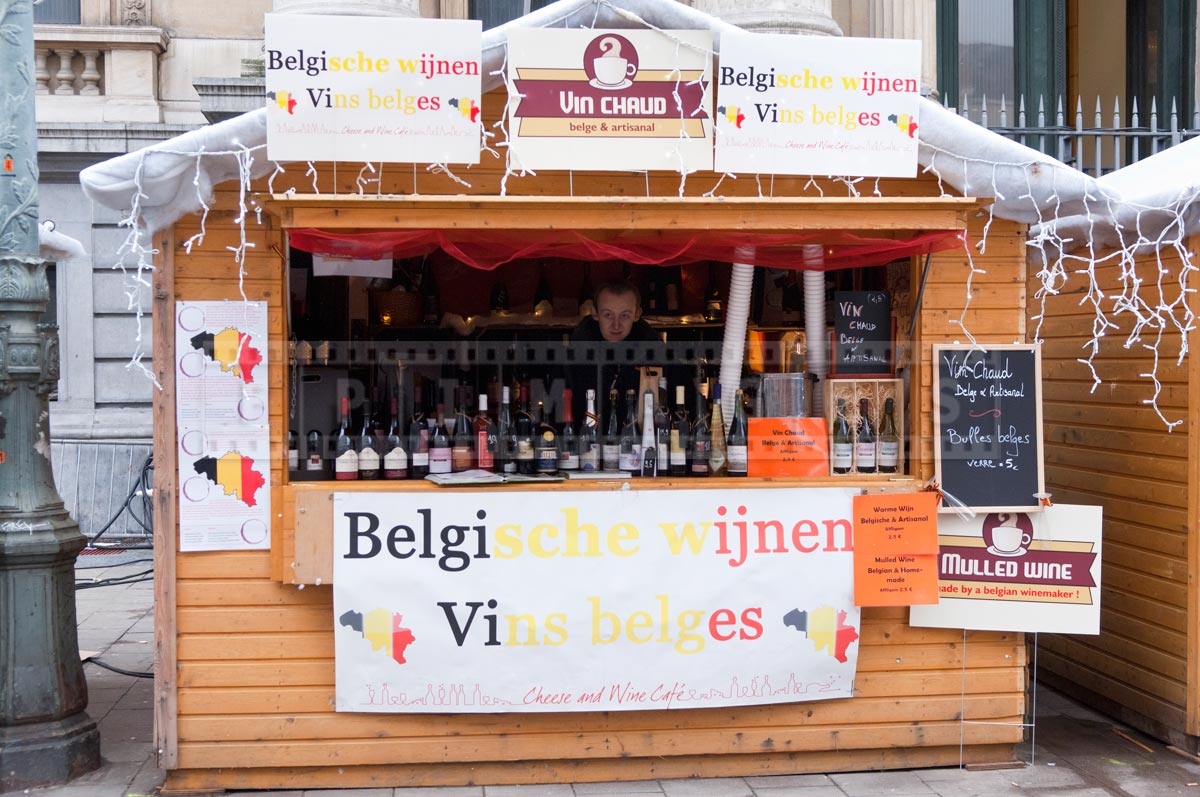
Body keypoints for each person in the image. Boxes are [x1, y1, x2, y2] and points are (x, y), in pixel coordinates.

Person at [568, 280, 668, 425]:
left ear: (637, 314)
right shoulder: (572, 358)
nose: (616, 325)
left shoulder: (657, 354)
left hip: (644, 445)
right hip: (585, 445)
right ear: (594, 313)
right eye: (608, 315)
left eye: (624, 316)